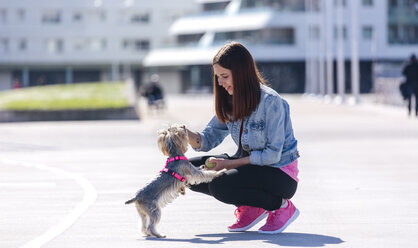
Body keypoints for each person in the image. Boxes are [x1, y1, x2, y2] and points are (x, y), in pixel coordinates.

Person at [186, 41, 300, 234]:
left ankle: (281, 206)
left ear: (241, 73)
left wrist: (228, 165)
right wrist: (183, 133)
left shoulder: (271, 102)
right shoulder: (230, 101)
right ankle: (254, 206)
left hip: (279, 174)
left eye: (224, 76)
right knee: (184, 170)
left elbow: (272, 155)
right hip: (251, 167)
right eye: (218, 77)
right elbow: (208, 138)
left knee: (220, 184)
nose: (220, 83)